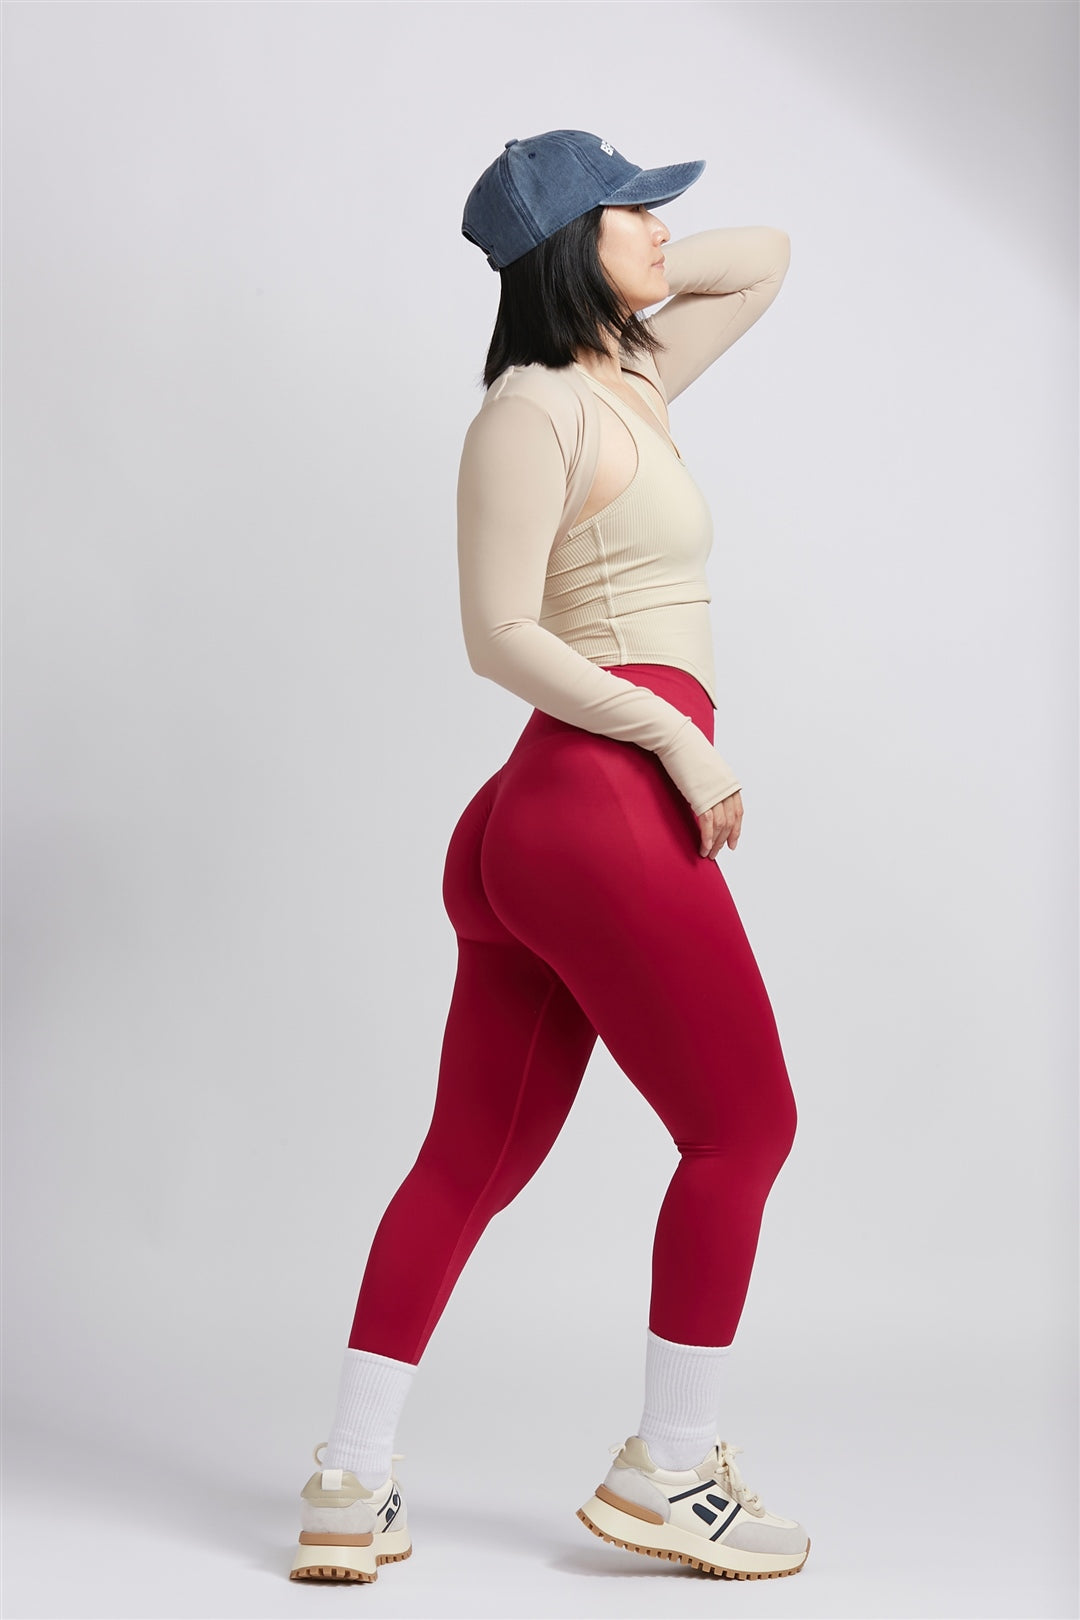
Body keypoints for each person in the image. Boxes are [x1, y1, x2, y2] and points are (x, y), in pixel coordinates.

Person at [288, 128, 809, 1585]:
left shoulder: (625, 379)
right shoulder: (529, 412)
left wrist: (610, 276)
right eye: (631, 209)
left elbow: (765, 263)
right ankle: (671, 1468)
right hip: (598, 805)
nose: (663, 225)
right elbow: (497, 634)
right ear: (572, 242)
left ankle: (350, 1482)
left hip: (549, 823)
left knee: (469, 1158)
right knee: (746, 1130)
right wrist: (682, 743)